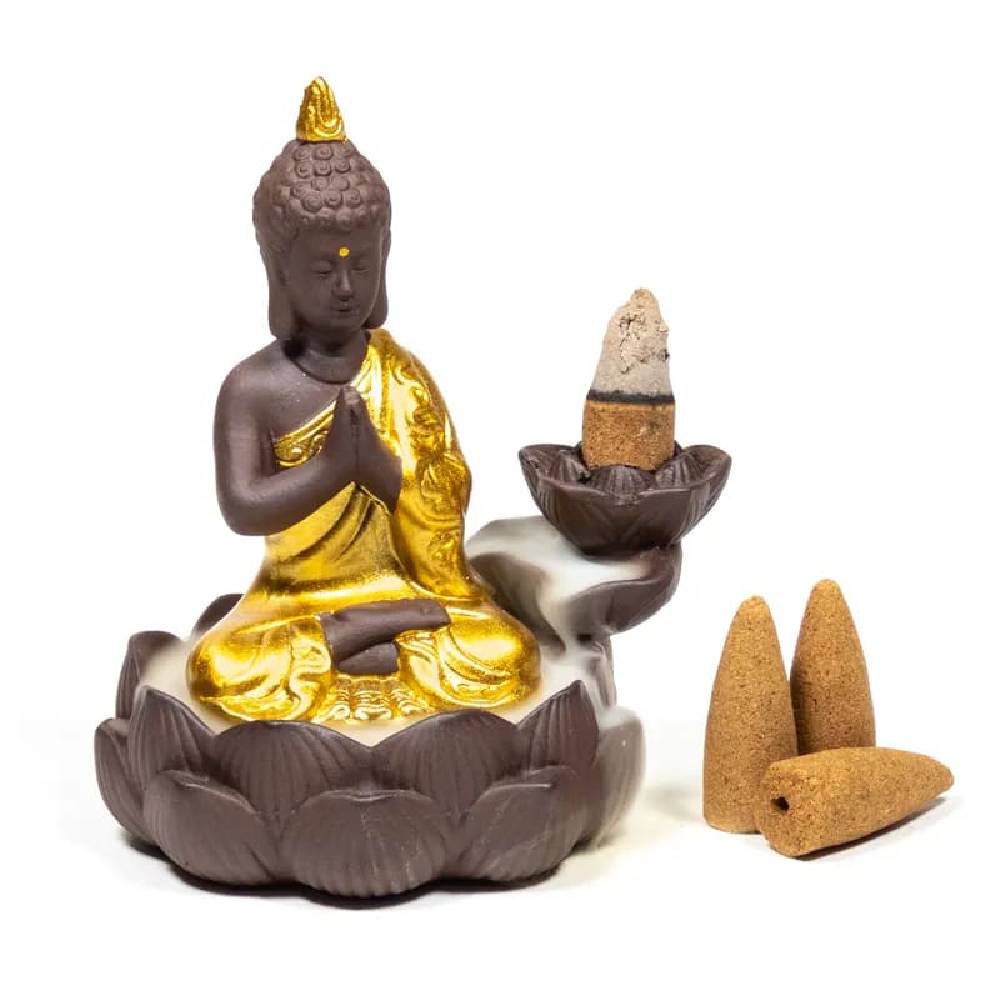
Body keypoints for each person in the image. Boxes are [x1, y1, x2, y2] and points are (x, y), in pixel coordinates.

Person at [187, 79, 539, 723]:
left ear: (386, 258)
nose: (346, 287)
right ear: (279, 272)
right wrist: (331, 470)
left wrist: (377, 469)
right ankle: (351, 632)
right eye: (324, 271)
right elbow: (242, 508)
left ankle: (365, 632)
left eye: (363, 266)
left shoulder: (401, 374)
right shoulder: (252, 388)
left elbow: (445, 502)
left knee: (506, 652)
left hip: (405, 590)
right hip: (293, 601)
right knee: (220, 666)